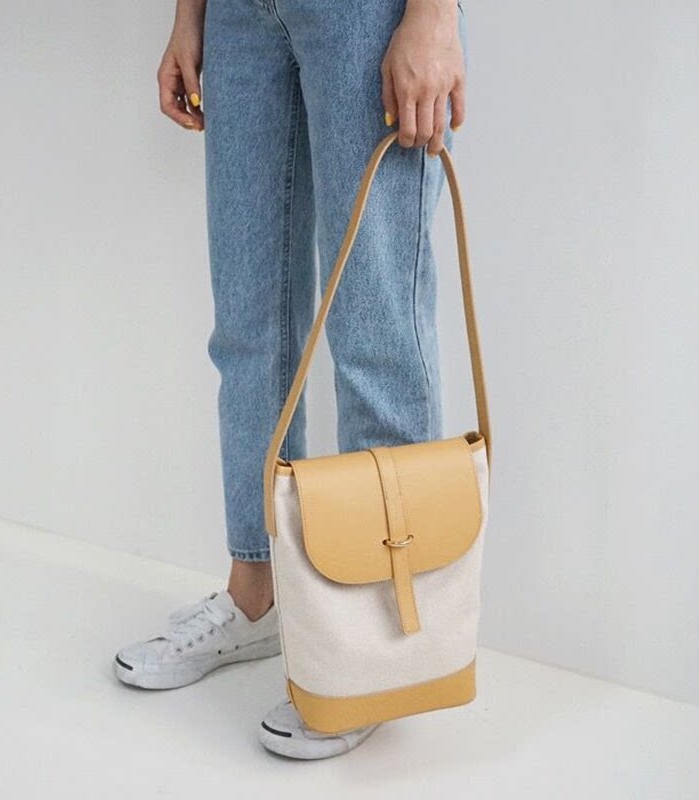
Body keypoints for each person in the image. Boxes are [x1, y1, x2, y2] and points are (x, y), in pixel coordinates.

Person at [114, 0, 468, 760]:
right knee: (250, 325)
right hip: (240, 15)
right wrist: (188, 15)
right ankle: (258, 595)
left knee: (375, 329)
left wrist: (435, 17)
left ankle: (379, 645)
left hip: (364, 15)